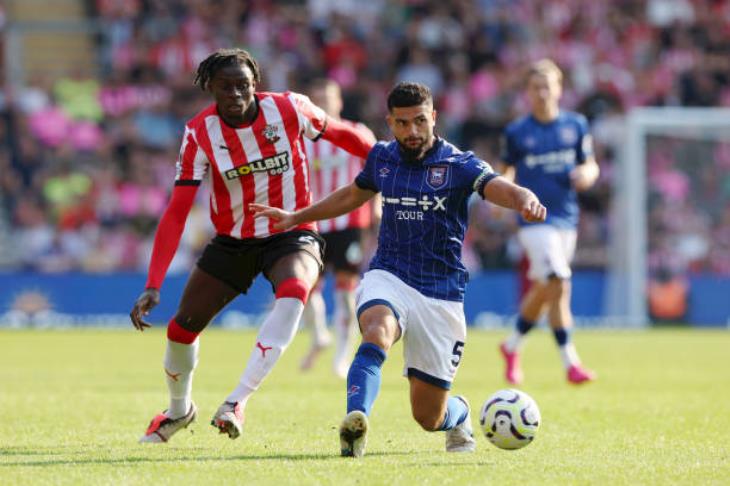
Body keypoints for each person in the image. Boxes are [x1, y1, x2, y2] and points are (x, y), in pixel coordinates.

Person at [251, 82, 546, 458]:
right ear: (390, 122)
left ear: (433, 118)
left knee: (428, 416)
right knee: (376, 329)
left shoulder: (457, 163)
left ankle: (460, 414)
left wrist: (525, 198)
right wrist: (298, 216)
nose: (412, 132)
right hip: (389, 274)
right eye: (402, 123)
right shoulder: (382, 158)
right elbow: (352, 195)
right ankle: (355, 421)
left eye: (420, 121)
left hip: (441, 293)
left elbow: (495, 185)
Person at [129, 48, 373, 443]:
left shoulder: (290, 108)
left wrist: (387, 156)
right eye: (226, 87)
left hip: (291, 231)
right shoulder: (199, 133)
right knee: (179, 330)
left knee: (296, 289)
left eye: (243, 85)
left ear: (255, 84)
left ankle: (237, 401)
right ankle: (178, 411)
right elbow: (177, 212)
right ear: (210, 88)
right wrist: (154, 282)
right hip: (234, 242)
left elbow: (344, 135)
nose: (236, 95)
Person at [498, 59, 600, 385]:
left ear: (559, 89)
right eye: (535, 87)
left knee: (551, 287)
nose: (542, 92)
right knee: (559, 280)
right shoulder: (516, 132)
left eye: (548, 86)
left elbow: (591, 165)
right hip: (533, 219)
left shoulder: (576, 125)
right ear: (527, 92)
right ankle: (571, 363)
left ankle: (512, 346)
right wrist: (505, 198)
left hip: (566, 218)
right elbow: (505, 172)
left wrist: (587, 174)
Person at [299, 79, 378, 377]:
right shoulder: (304, 138)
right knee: (306, 286)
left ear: (339, 102)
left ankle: (342, 357)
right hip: (314, 220)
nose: (322, 104)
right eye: (316, 99)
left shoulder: (358, 133)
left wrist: (378, 208)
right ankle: (319, 335)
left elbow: (376, 170)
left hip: (351, 220)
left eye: (327, 98)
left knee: (346, 291)